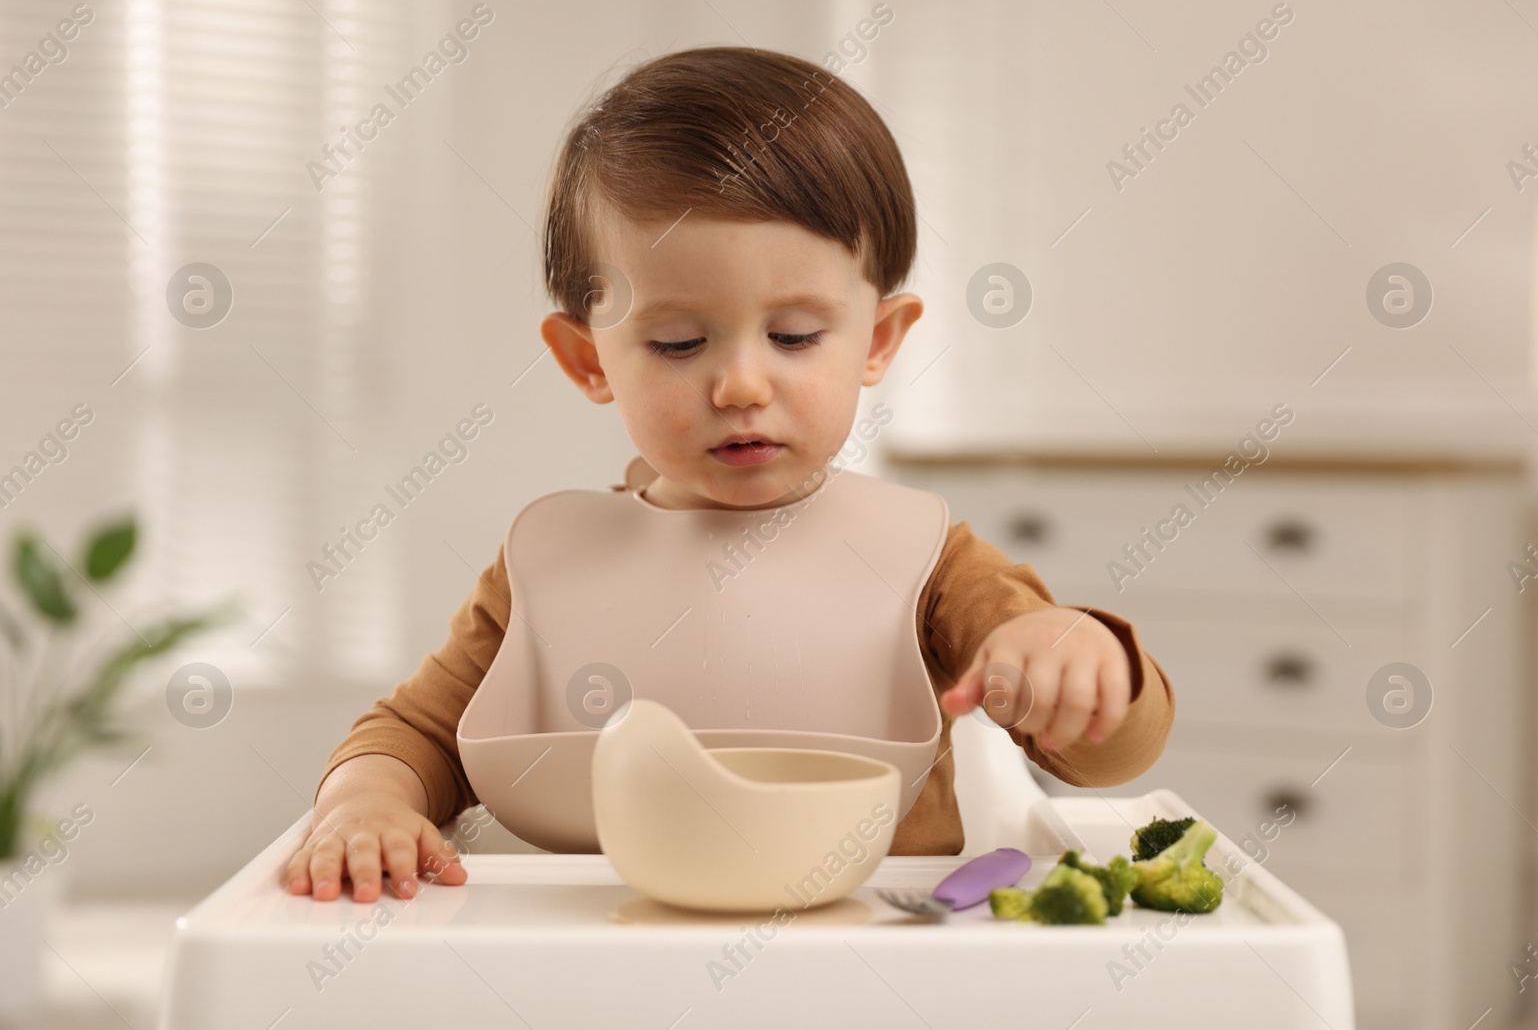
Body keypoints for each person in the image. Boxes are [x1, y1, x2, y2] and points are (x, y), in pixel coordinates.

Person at [286, 46, 1174, 903]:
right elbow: (417, 734)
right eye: (678, 343)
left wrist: (1082, 663)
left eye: (794, 336)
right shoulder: (548, 564)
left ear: (879, 340)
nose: (742, 384)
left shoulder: (926, 559)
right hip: (600, 953)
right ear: (588, 359)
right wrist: (366, 803)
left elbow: (1106, 755)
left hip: (877, 944)